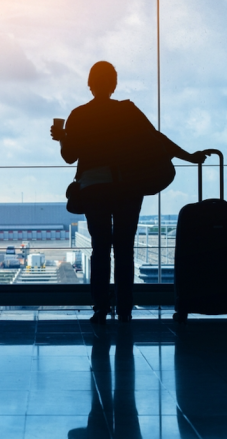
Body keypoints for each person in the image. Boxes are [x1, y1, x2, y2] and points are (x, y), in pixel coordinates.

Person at [51, 61, 206, 324]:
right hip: (127, 187)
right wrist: (188, 157)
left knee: (100, 249)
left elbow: (68, 157)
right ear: (114, 84)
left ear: (90, 84)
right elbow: (157, 138)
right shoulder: (127, 111)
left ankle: (100, 308)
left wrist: (62, 136)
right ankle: (124, 309)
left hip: (94, 187)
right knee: (124, 249)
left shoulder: (78, 115)